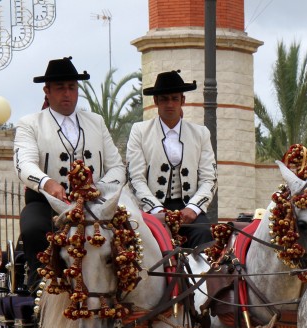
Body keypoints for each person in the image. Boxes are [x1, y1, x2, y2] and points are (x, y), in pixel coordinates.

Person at [13, 56, 126, 286]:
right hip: (46, 203)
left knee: (130, 231)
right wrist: (48, 184)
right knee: (33, 227)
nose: (67, 93)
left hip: (96, 205)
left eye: (72, 87)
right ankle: (40, 290)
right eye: (60, 88)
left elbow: (117, 166)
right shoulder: (30, 123)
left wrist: (99, 188)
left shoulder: (96, 121)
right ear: (47, 91)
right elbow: (23, 164)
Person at [126, 70, 217, 248]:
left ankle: (201, 276)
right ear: (156, 102)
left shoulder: (201, 133)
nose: (170, 104)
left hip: (189, 207)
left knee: (205, 234)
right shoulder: (140, 131)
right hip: (152, 209)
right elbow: (135, 179)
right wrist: (158, 211)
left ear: (182, 101)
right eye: (164, 99)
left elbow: (209, 178)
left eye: (175, 99)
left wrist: (194, 208)